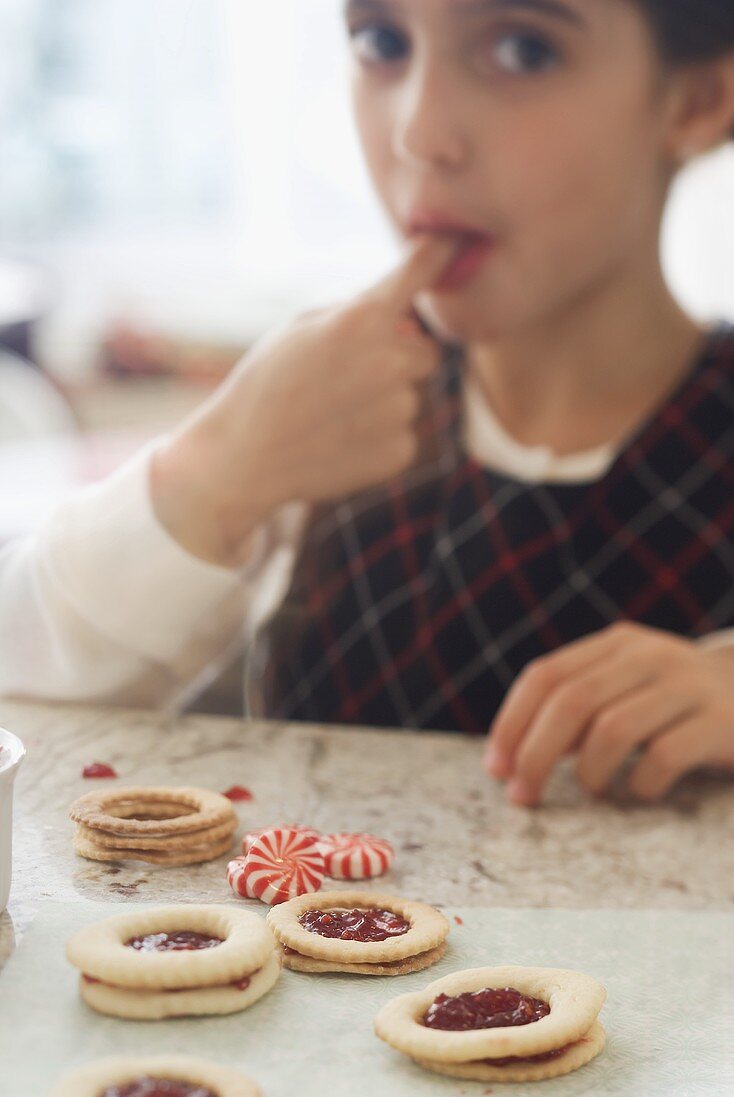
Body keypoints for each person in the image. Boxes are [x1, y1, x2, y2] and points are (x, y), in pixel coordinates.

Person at [2, 0, 734, 808]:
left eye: (524, 51)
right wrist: (211, 470)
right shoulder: (327, 403)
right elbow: (20, 698)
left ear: (697, 102)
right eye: (382, 43)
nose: (419, 133)